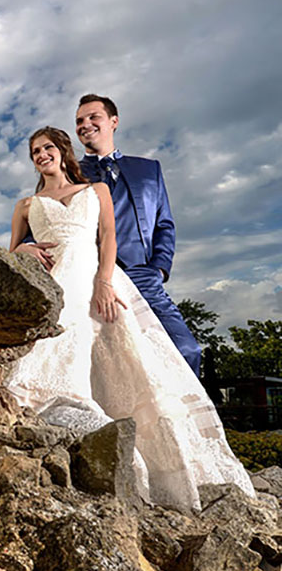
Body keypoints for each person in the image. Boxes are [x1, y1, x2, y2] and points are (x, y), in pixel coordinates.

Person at [7, 126, 253, 512]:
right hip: (56, 283)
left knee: (129, 363)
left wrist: (104, 282)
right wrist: (25, 247)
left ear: (63, 150)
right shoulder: (26, 204)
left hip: (95, 278)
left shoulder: (95, 191)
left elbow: (108, 238)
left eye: (48, 147)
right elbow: (14, 250)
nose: (41, 155)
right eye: (35, 151)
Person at [73, 94, 202, 376]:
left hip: (144, 274)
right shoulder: (68, 173)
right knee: (106, 365)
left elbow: (164, 224)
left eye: (93, 117)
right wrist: (29, 246)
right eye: (79, 120)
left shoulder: (149, 169)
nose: (85, 124)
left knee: (186, 350)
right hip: (90, 278)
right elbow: (44, 219)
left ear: (113, 121)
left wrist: (159, 269)